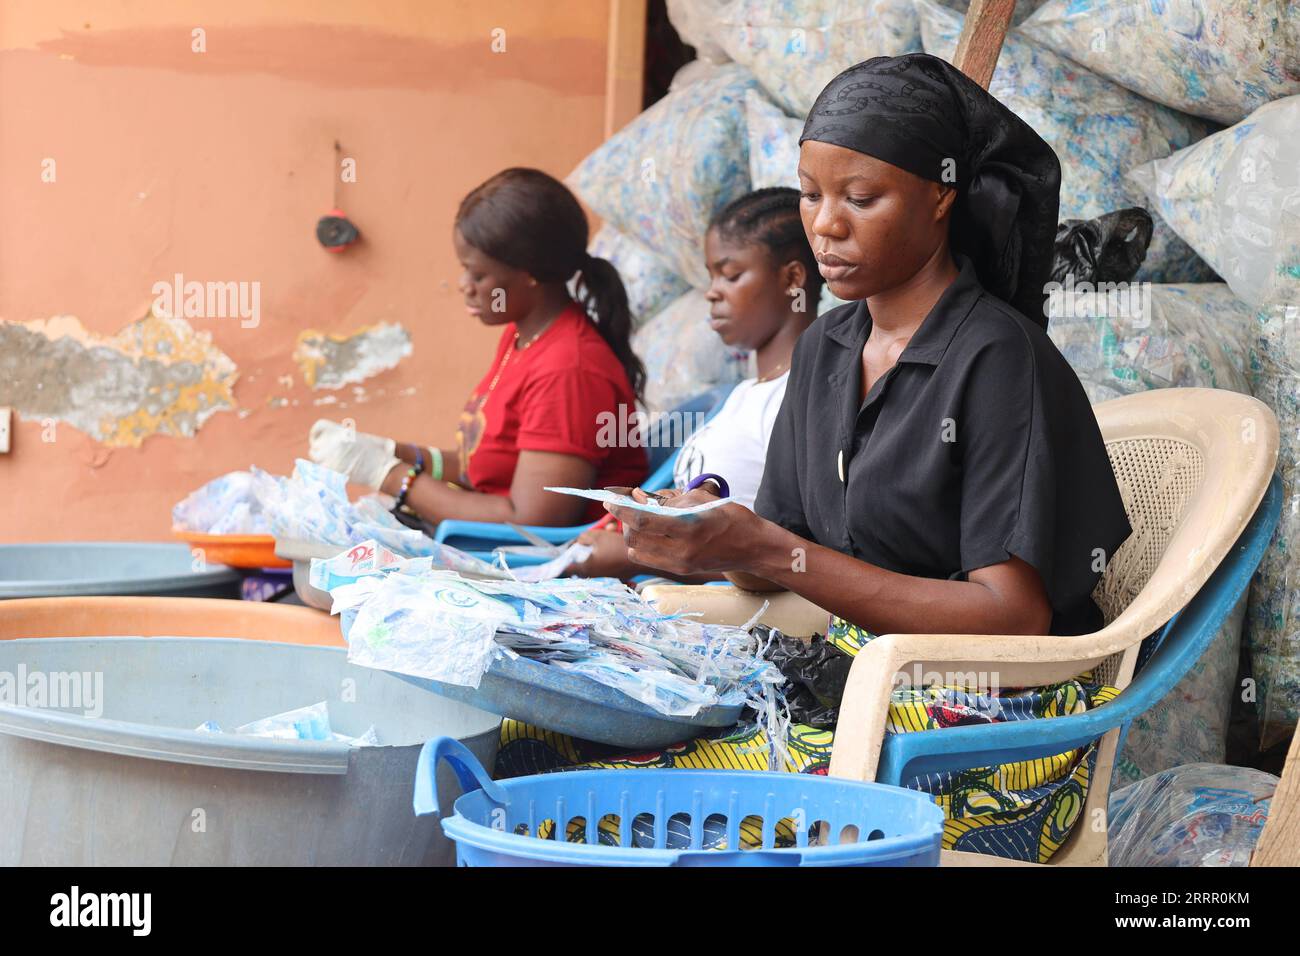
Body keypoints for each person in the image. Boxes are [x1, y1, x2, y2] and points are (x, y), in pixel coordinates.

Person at [499, 54, 1134, 864]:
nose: (825, 224)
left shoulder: (998, 360)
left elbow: (1012, 618)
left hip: (984, 725)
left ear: (941, 196)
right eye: (810, 193)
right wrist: (705, 531)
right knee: (533, 732)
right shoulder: (830, 347)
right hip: (843, 681)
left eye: (861, 198)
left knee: (633, 805)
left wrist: (770, 549)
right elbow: (788, 554)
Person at [310, 168, 647, 527]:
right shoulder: (523, 338)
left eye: (478, 274)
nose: (464, 286)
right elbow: (488, 467)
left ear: (531, 274)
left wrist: (391, 475)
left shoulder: (568, 369)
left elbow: (533, 521)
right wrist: (392, 452)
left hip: (536, 565)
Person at [569, 187, 822, 582]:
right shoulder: (742, 394)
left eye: (731, 274)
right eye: (711, 275)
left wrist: (632, 556)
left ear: (792, 278)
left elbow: (790, 559)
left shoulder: (799, 396)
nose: (711, 291)